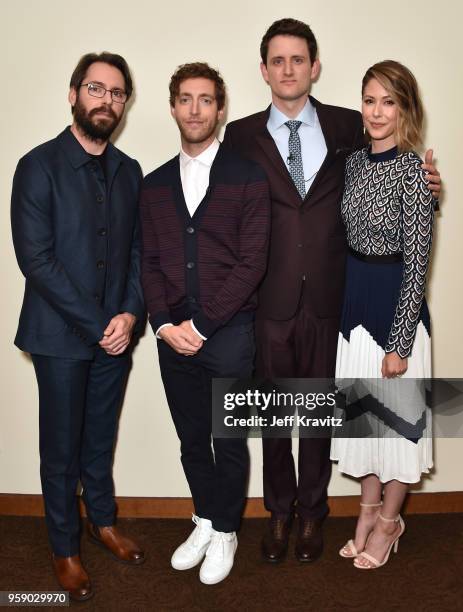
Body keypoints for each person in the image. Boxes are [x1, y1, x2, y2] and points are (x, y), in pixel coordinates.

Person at [222, 18, 441, 563]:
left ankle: (314, 516)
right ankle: (278, 515)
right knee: (275, 415)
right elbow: (229, 216)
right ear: (265, 69)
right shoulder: (242, 136)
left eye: (299, 59)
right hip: (268, 301)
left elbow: (396, 180)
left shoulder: (348, 126)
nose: (289, 69)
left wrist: (429, 185)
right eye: (278, 60)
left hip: (333, 299)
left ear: (314, 67)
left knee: (324, 415)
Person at [11, 52, 145, 601]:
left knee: (100, 440)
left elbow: (140, 252)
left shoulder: (130, 170)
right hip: (60, 339)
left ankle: (103, 522)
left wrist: (131, 315)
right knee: (61, 450)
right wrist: (99, 325)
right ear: (73, 94)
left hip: (117, 335)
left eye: (116, 93)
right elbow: (36, 260)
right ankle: (64, 547)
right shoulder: (37, 166)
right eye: (96, 88)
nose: (106, 100)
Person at [140, 62, 270, 584]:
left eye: (206, 100)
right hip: (172, 337)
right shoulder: (152, 186)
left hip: (230, 334)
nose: (195, 109)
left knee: (229, 439)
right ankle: (206, 517)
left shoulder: (247, 177)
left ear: (221, 108)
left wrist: (205, 325)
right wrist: (164, 323)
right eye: (186, 99)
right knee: (191, 437)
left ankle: (227, 530)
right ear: (173, 106)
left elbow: (252, 261)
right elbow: (147, 261)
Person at [330, 60, 434, 569]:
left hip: (396, 314)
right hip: (353, 313)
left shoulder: (415, 170)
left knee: (395, 429)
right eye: (369, 100)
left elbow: (418, 264)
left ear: (405, 109)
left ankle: (390, 522)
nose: (376, 111)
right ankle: (368, 509)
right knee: (363, 427)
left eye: (388, 101)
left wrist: (400, 343)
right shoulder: (351, 163)